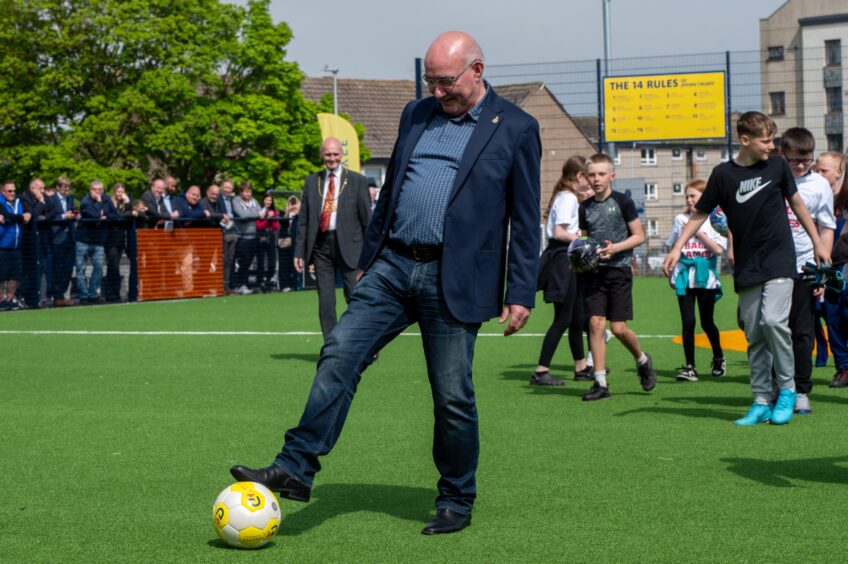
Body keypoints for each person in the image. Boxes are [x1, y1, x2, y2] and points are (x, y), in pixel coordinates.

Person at [230, 31, 541, 536]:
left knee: (452, 395)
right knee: (340, 352)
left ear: (477, 70)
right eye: (431, 81)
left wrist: (521, 291)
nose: (437, 91)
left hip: (454, 277)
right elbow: (393, 187)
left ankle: (456, 498)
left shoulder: (518, 127)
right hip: (392, 266)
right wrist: (366, 262)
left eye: (446, 82)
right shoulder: (415, 114)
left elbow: (526, 218)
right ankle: (295, 466)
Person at [663, 112, 829, 426]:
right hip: (748, 265)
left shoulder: (778, 166)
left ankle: (788, 390)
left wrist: (818, 243)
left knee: (773, 321)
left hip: (780, 259)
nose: (771, 146)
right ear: (745, 140)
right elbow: (700, 214)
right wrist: (676, 247)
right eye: (766, 141)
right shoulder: (723, 175)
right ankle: (761, 400)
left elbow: (797, 204)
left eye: (772, 140)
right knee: (754, 334)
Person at [577, 153, 657, 401]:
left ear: (612, 175)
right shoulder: (585, 207)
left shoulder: (623, 202)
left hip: (619, 271)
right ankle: (600, 383)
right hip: (594, 273)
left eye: (601, 174)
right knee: (595, 324)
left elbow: (639, 236)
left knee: (619, 329)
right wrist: (579, 256)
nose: (596, 179)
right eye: (592, 174)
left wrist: (615, 248)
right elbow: (584, 239)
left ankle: (642, 359)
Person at [777, 128, 836, 414]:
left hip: (803, 265)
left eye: (807, 160)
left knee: (801, 330)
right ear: (782, 155)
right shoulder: (772, 178)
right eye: (795, 161)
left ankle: (801, 389)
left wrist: (822, 270)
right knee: (770, 327)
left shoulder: (819, 185)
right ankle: (777, 385)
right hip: (772, 265)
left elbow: (826, 227)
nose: (801, 166)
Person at [295, 137, 372, 340]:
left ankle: (363, 343)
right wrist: (299, 252)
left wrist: (371, 252)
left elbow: (367, 221)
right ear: (322, 155)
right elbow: (304, 220)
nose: (332, 158)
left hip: (352, 248)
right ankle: (332, 346)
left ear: (341, 155)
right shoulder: (312, 181)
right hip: (321, 247)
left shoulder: (357, 181)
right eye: (328, 154)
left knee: (355, 297)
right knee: (326, 302)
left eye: (335, 154)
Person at [532, 156, 591, 386]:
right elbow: (558, 232)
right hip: (562, 259)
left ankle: (581, 367)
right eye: (589, 175)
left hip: (567, 258)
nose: (592, 180)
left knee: (577, 316)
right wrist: (583, 241)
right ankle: (541, 370)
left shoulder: (568, 196)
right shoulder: (567, 198)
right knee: (563, 318)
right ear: (579, 176)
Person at [664, 180, 726, 382]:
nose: (689, 200)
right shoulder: (680, 219)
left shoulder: (715, 220)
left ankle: (718, 357)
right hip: (684, 276)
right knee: (688, 322)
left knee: (707, 322)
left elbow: (718, 250)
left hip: (705, 277)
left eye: (694, 196)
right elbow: (671, 245)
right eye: (687, 196)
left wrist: (696, 230)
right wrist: (670, 267)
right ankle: (690, 366)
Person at [76, 180, 120, 304]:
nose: (98, 192)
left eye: (100, 190)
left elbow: (115, 215)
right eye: (96, 190)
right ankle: (83, 295)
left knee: (99, 268)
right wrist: (99, 203)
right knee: (81, 269)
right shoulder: (85, 202)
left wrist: (105, 216)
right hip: (83, 240)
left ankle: (92, 293)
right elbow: (94, 215)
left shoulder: (107, 199)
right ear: (91, 190)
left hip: (99, 240)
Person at [45, 177, 76, 306]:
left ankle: (61, 294)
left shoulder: (70, 199)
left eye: (68, 187)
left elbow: (71, 214)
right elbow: (49, 218)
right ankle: (57, 296)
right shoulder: (51, 200)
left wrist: (75, 215)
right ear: (58, 187)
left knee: (68, 268)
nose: (66, 190)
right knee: (57, 268)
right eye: (64, 187)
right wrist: (63, 217)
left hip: (69, 237)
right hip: (56, 238)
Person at [0, 181, 31, 310]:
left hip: (16, 246)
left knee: (15, 275)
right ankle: (1, 300)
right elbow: (7, 216)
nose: (12, 193)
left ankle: (10, 299)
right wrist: (21, 217)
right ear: (3, 192)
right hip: (2, 245)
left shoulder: (20, 201)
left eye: (14, 190)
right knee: (1, 275)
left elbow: (29, 212)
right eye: (9, 191)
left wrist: (27, 214)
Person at [103, 183, 135, 302]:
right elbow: (117, 216)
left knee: (118, 266)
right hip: (111, 240)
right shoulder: (109, 202)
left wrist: (127, 203)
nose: (120, 194)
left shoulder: (125, 204)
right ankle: (111, 294)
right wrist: (127, 209)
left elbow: (130, 214)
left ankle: (117, 293)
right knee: (113, 266)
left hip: (122, 239)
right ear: (114, 192)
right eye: (118, 191)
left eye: (122, 192)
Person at [20, 178, 49, 308]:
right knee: (29, 269)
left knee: (42, 267)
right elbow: (32, 214)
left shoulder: (44, 197)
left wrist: (43, 214)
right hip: (29, 239)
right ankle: (27, 297)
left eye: (44, 188)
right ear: (32, 189)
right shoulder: (24, 198)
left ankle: (39, 297)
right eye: (40, 188)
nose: (43, 191)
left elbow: (52, 211)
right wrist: (41, 202)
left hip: (42, 238)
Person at [231, 181, 260, 294]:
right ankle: (240, 284)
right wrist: (256, 214)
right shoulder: (236, 200)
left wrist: (251, 213)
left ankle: (245, 284)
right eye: (246, 191)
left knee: (249, 261)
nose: (249, 194)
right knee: (244, 260)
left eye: (250, 191)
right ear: (241, 192)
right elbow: (242, 215)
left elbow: (260, 211)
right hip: (242, 237)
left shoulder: (254, 201)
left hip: (254, 236)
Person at [217, 179, 238, 293]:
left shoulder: (231, 200)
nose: (227, 190)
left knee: (230, 260)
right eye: (225, 187)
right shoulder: (218, 199)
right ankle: (220, 285)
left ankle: (227, 285)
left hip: (232, 230)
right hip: (223, 231)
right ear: (222, 187)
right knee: (222, 259)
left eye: (229, 188)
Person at [256, 192, 280, 292]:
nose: (268, 202)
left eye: (270, 200)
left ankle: (268, 280)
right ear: (263, 200)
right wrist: (267, 218)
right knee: (260, 261)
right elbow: (259, 226)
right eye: (267, 200)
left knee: (272, 262)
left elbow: (276, 227)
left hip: (270, 238)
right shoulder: (259, 211)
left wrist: (272, 218)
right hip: (260, 238)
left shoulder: (274, 212)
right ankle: (260, 282)